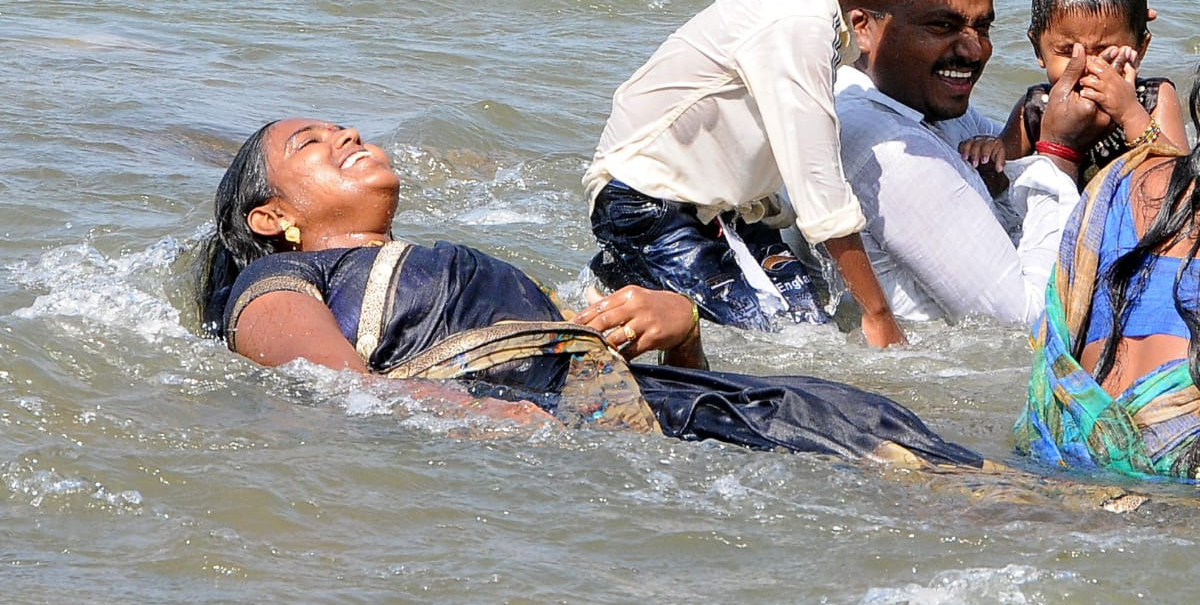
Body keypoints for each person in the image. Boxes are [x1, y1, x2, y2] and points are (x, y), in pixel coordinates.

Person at [196, 117, 984, 467]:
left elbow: (607, 377)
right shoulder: (278, 281)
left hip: (656, 409)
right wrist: (486, 420)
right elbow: (331, 387)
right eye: (313, 143)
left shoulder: (452, 262)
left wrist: (681, 330)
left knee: (869, 422)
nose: (348, 136)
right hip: (557, 435)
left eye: (346, 129)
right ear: (272, 217)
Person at [584, 0, 966, 347]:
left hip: (722, 208)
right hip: (646, 204)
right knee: (791, 343)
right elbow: (819, 190)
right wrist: (880, 316)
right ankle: (618, 289)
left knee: (810, 325)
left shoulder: (812, 2)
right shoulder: (797, 25)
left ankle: (622, 281)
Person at [831, 0, 1110, 324]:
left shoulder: (916, 104)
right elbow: (1026, 324)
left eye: (983, 27)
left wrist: (1097, 27)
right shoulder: (890, 148)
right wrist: (1060, 154)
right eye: (941, 26)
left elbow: (1009, 165)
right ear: (863, 26)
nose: (973, 49)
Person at [1014, 78, 1198, 480]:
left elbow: (1160, 153)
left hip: (1073, 435)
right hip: (1180, 457)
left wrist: (1134, 116)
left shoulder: (1121, 179)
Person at [960, 0, 1185, 189]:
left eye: (1104, 52)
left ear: (1140, 48)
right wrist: (989, 154)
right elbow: (1001, 183)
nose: (1085, 66)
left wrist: (1131, 115)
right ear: (1038, 49)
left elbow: (1179, 189)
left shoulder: (1153, 99)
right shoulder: (1035, 109)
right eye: (1067, 51)